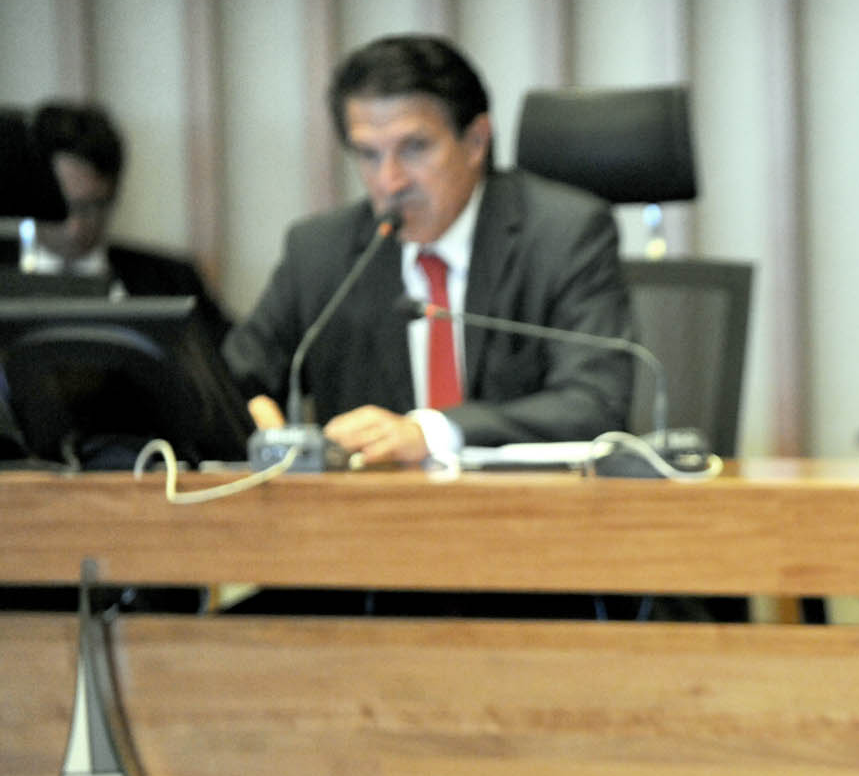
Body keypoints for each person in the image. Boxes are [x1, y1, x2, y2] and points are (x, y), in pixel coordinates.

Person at [224, 34, 635, 467]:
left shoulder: (562, 235)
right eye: (368, 155)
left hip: (523, 501)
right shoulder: (320, 252)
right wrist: (248, 409)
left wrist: (433, 432)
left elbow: (595, 401)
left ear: (476, 141)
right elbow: (235, 378)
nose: (390, 181)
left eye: (414, 148)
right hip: (368, 505)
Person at [1, 100, 232, 349]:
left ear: (114, 194)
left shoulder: (172, 284)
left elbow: (230, 360)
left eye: (93, 207)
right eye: (60, 206)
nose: (75, 227)